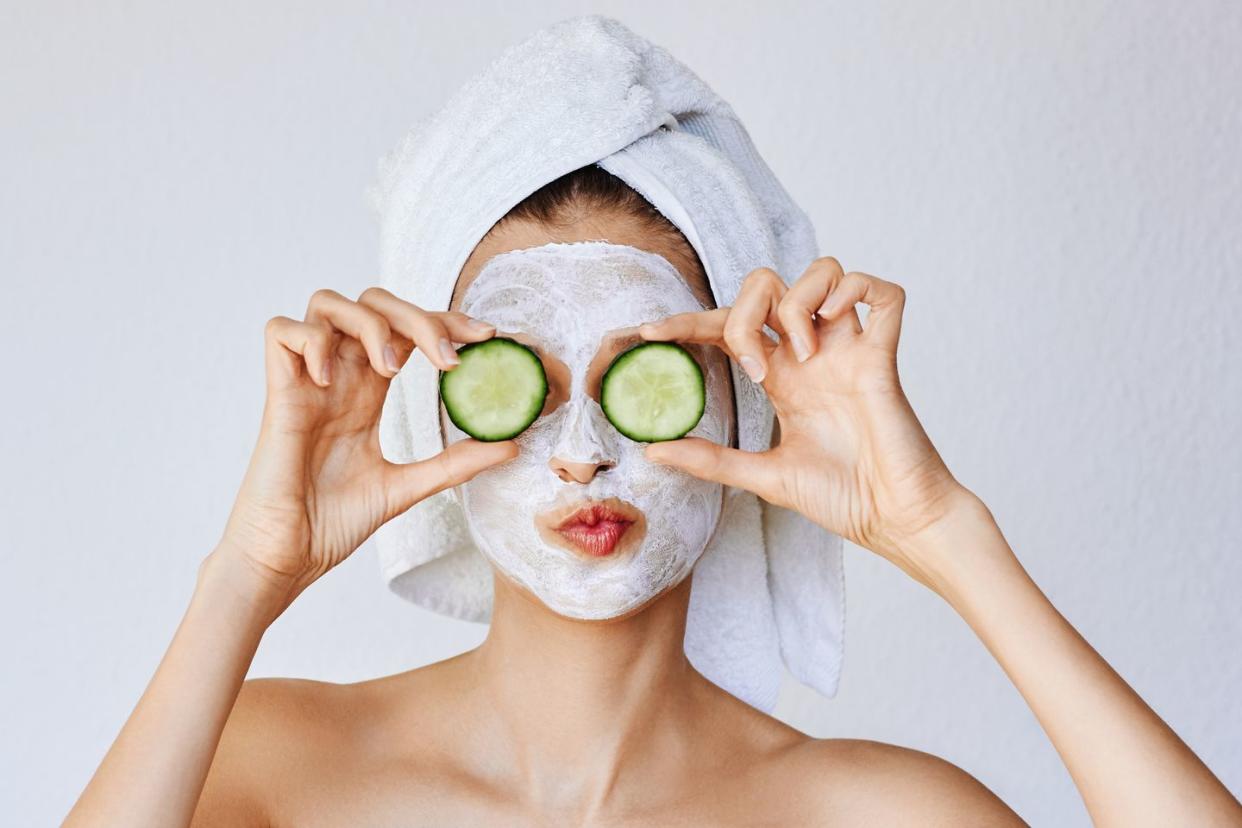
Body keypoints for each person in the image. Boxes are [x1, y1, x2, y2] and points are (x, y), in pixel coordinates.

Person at [62, 164, 1241, 826]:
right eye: (516, 377)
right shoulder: (268, 761)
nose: (581, 451)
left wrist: (944, 535)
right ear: (436, 404)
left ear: (747, 407)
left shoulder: (871, 814)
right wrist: (246, 576)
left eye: (645, 382)